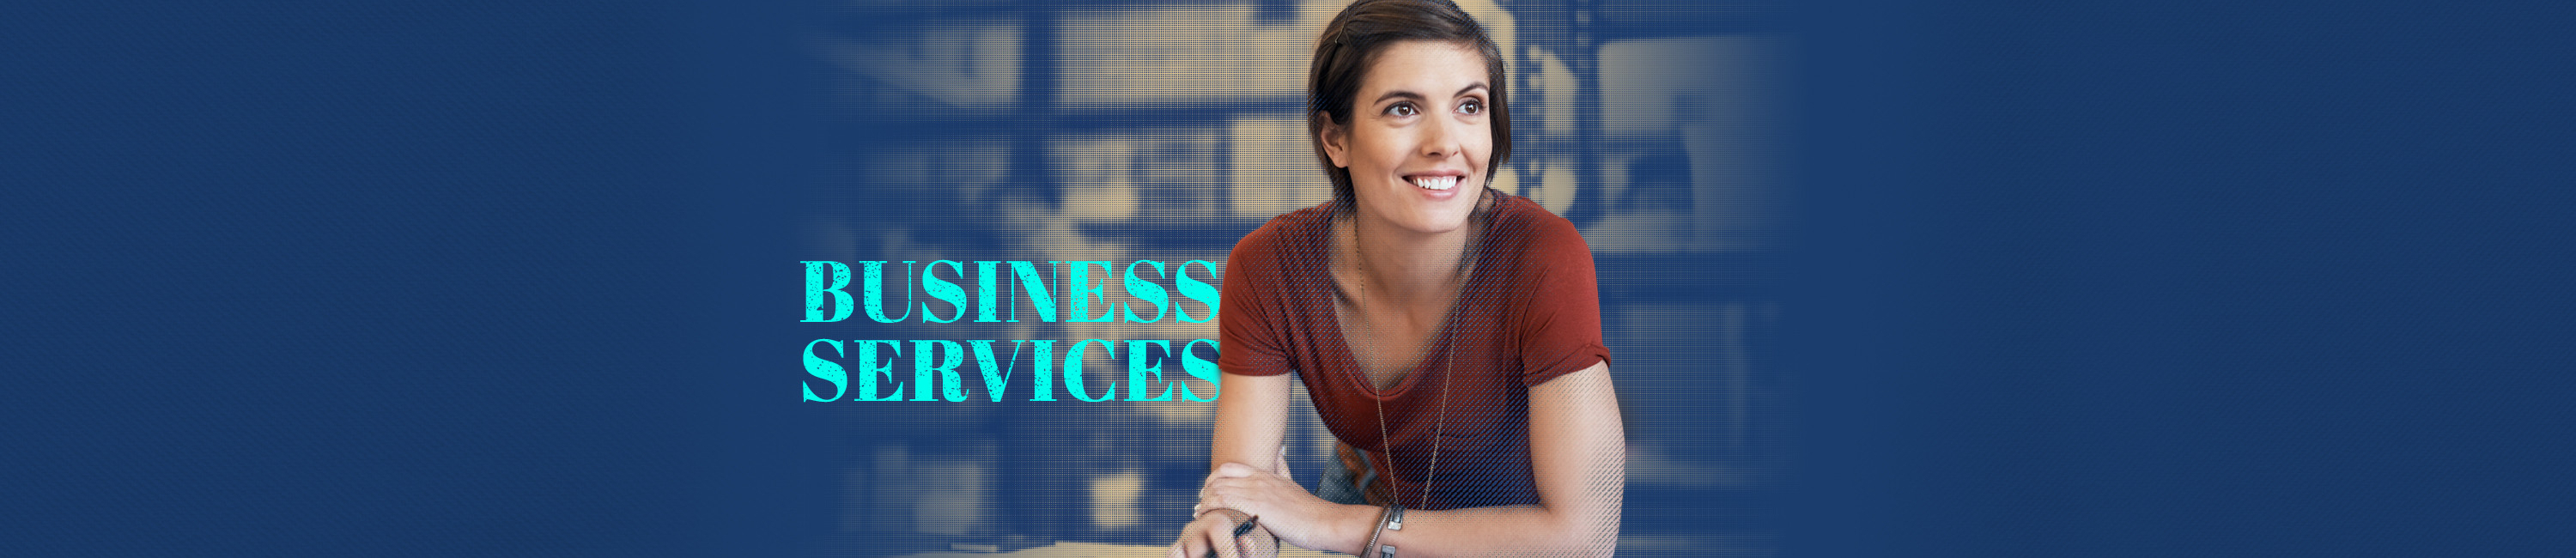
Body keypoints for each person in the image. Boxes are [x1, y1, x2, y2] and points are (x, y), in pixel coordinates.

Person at [1169, 1, 1623, 556]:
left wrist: (1329, 523)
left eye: (1469, 106)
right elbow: (1246, 495)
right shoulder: (1271, 266)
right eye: (1403, 108)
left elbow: (1586, 538)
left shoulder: (1542, 254)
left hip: (1508, 536)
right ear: (1335, 139)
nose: (1444, 142)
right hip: (1361, 497)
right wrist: (1234, 532)